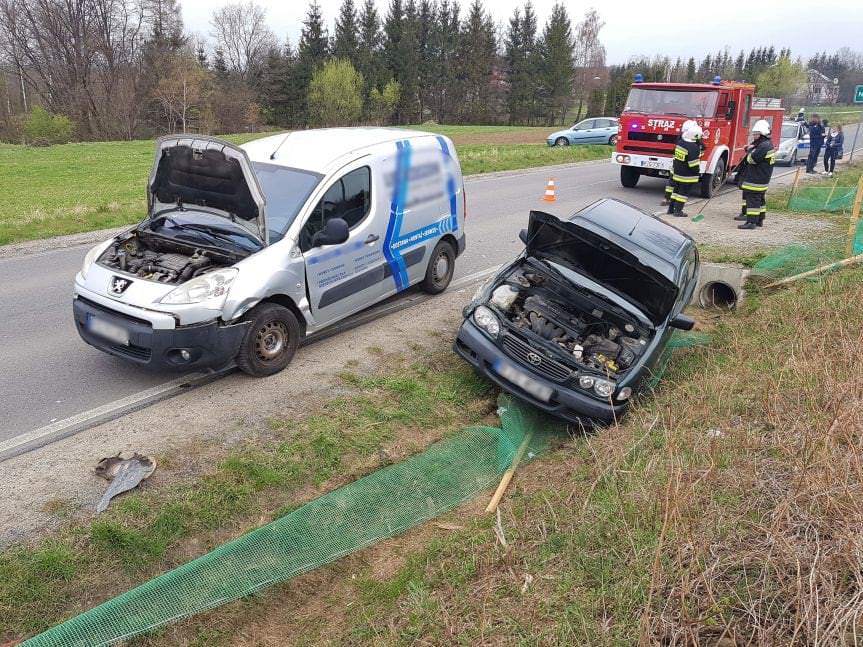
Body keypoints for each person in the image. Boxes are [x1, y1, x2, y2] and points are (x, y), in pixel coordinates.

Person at [735, 119, 776, 230]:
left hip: (756, 179)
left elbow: (752, 160)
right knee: (760, 200)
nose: (754, 136)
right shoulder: (767, 144)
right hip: (762, 178)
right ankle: (759, 220)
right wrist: (751, 148)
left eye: (756, 134)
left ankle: (751, 222)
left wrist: (749, 152)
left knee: (752, 200)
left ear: (762, 133)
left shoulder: (763, 146)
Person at [666, 120, 703, 218]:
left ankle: (670, 209)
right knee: (683, 194)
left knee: (675, 192)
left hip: (677, 173)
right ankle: (678, 211)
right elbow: (693, 164)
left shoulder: (681, 143)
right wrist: (698, 173)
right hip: (687, 176)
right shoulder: (693, 147)